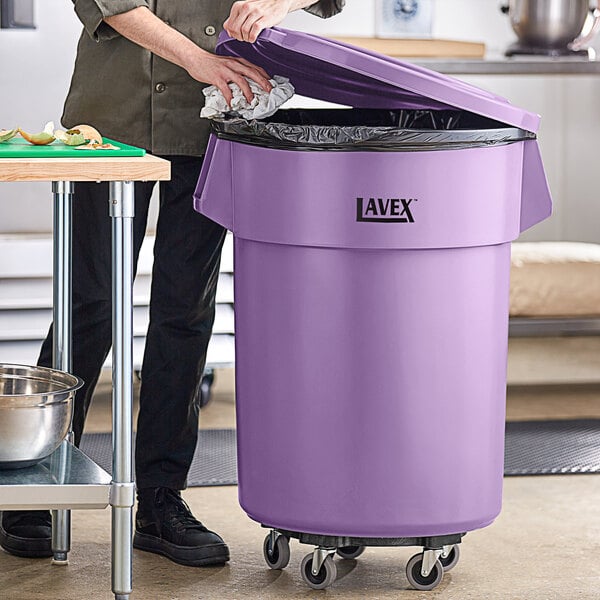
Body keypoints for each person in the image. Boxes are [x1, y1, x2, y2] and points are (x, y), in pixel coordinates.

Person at [0, 0, 344, 567]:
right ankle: (38, 482)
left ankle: (161, 499)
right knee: (90, 303)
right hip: (111, 121)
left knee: (185, 310)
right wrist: (198, 60)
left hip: (213, 119)